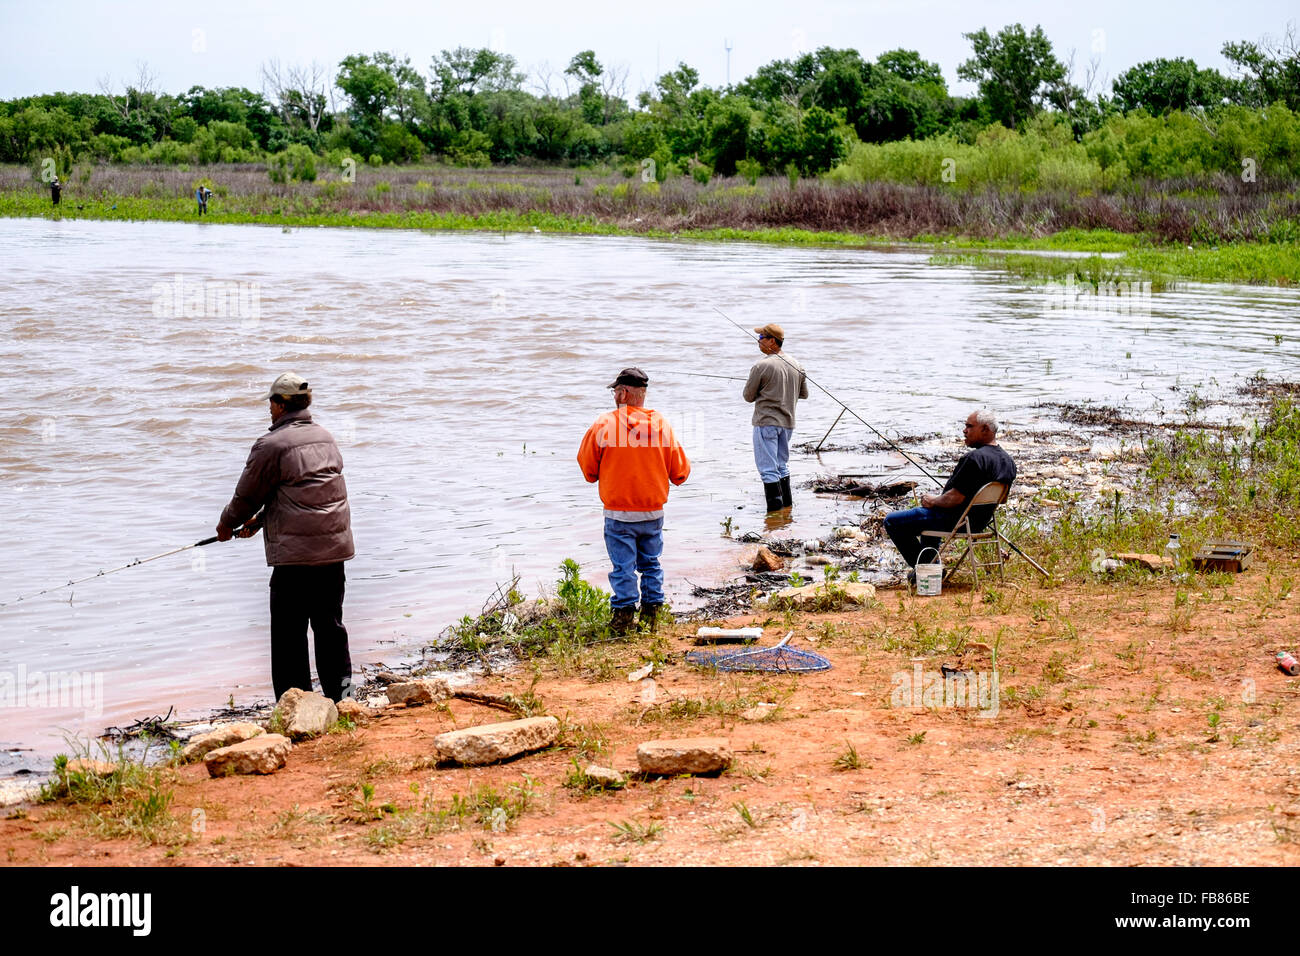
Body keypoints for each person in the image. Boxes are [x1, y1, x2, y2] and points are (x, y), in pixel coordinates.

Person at [216, 373, 356, 702]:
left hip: (295, 559)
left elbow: (245, 497)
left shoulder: (270, 445)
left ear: (280, 405)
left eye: (270, 402)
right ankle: (347, 701)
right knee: (331, 629)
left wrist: (226, 526)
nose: (268, 409)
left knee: (288, 636)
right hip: (333, 552)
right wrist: (264, 520)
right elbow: (309, 496)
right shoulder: (325, 437)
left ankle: (294, 707)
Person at [577, 367, 691, 634]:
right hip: (652, 511)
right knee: (650, 563)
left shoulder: (604, 424)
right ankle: (651, 614)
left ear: (624, 393)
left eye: (616, 391)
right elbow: (681, 473)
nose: (615, 396)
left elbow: (588, 471)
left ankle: (623, 615)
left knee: (623, 566)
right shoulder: (661, 425)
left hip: (619, 513)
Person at [883, 409, 1017, 576]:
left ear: (985, 429)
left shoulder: (974, 459)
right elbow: (1001, 499)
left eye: (969, 426)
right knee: (928, 518)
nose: (964, 430)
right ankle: (930, 567)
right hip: (979, 523)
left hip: (956, 522)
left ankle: (927, 570)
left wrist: (933, 500)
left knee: (892, 521)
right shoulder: (1008, 461)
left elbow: (954, 498)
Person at [743, 323, 807, 512]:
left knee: (768, 469)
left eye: (762, 337)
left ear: (772, 341)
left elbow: (748, 396)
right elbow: (803, 394)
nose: (758, 341)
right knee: (782, 466)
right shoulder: (797, 364)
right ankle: (787, 509)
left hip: (766, 423)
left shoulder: (761, 365)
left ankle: (775, 515)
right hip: (788, 424)